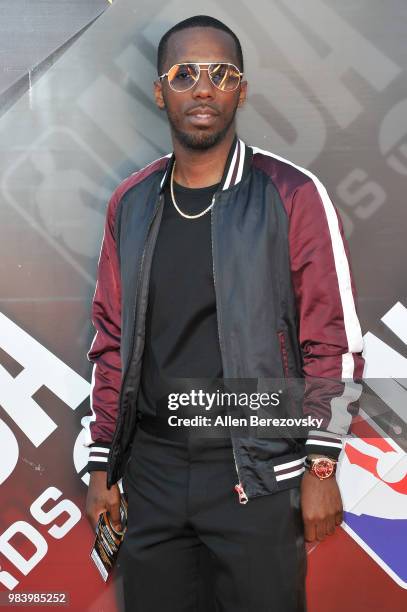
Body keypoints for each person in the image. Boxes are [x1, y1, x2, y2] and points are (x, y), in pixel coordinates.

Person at [83, 15, 364, 612]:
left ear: (242, 89)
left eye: (222, 73)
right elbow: (111, 341)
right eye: (185, 74)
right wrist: (104, 465)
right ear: (161, 92)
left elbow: (332, 339)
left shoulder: (291, 194)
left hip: (255, 471)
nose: (204, 88)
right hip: (152, 473)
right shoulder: (131, 204)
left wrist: (321, 466)